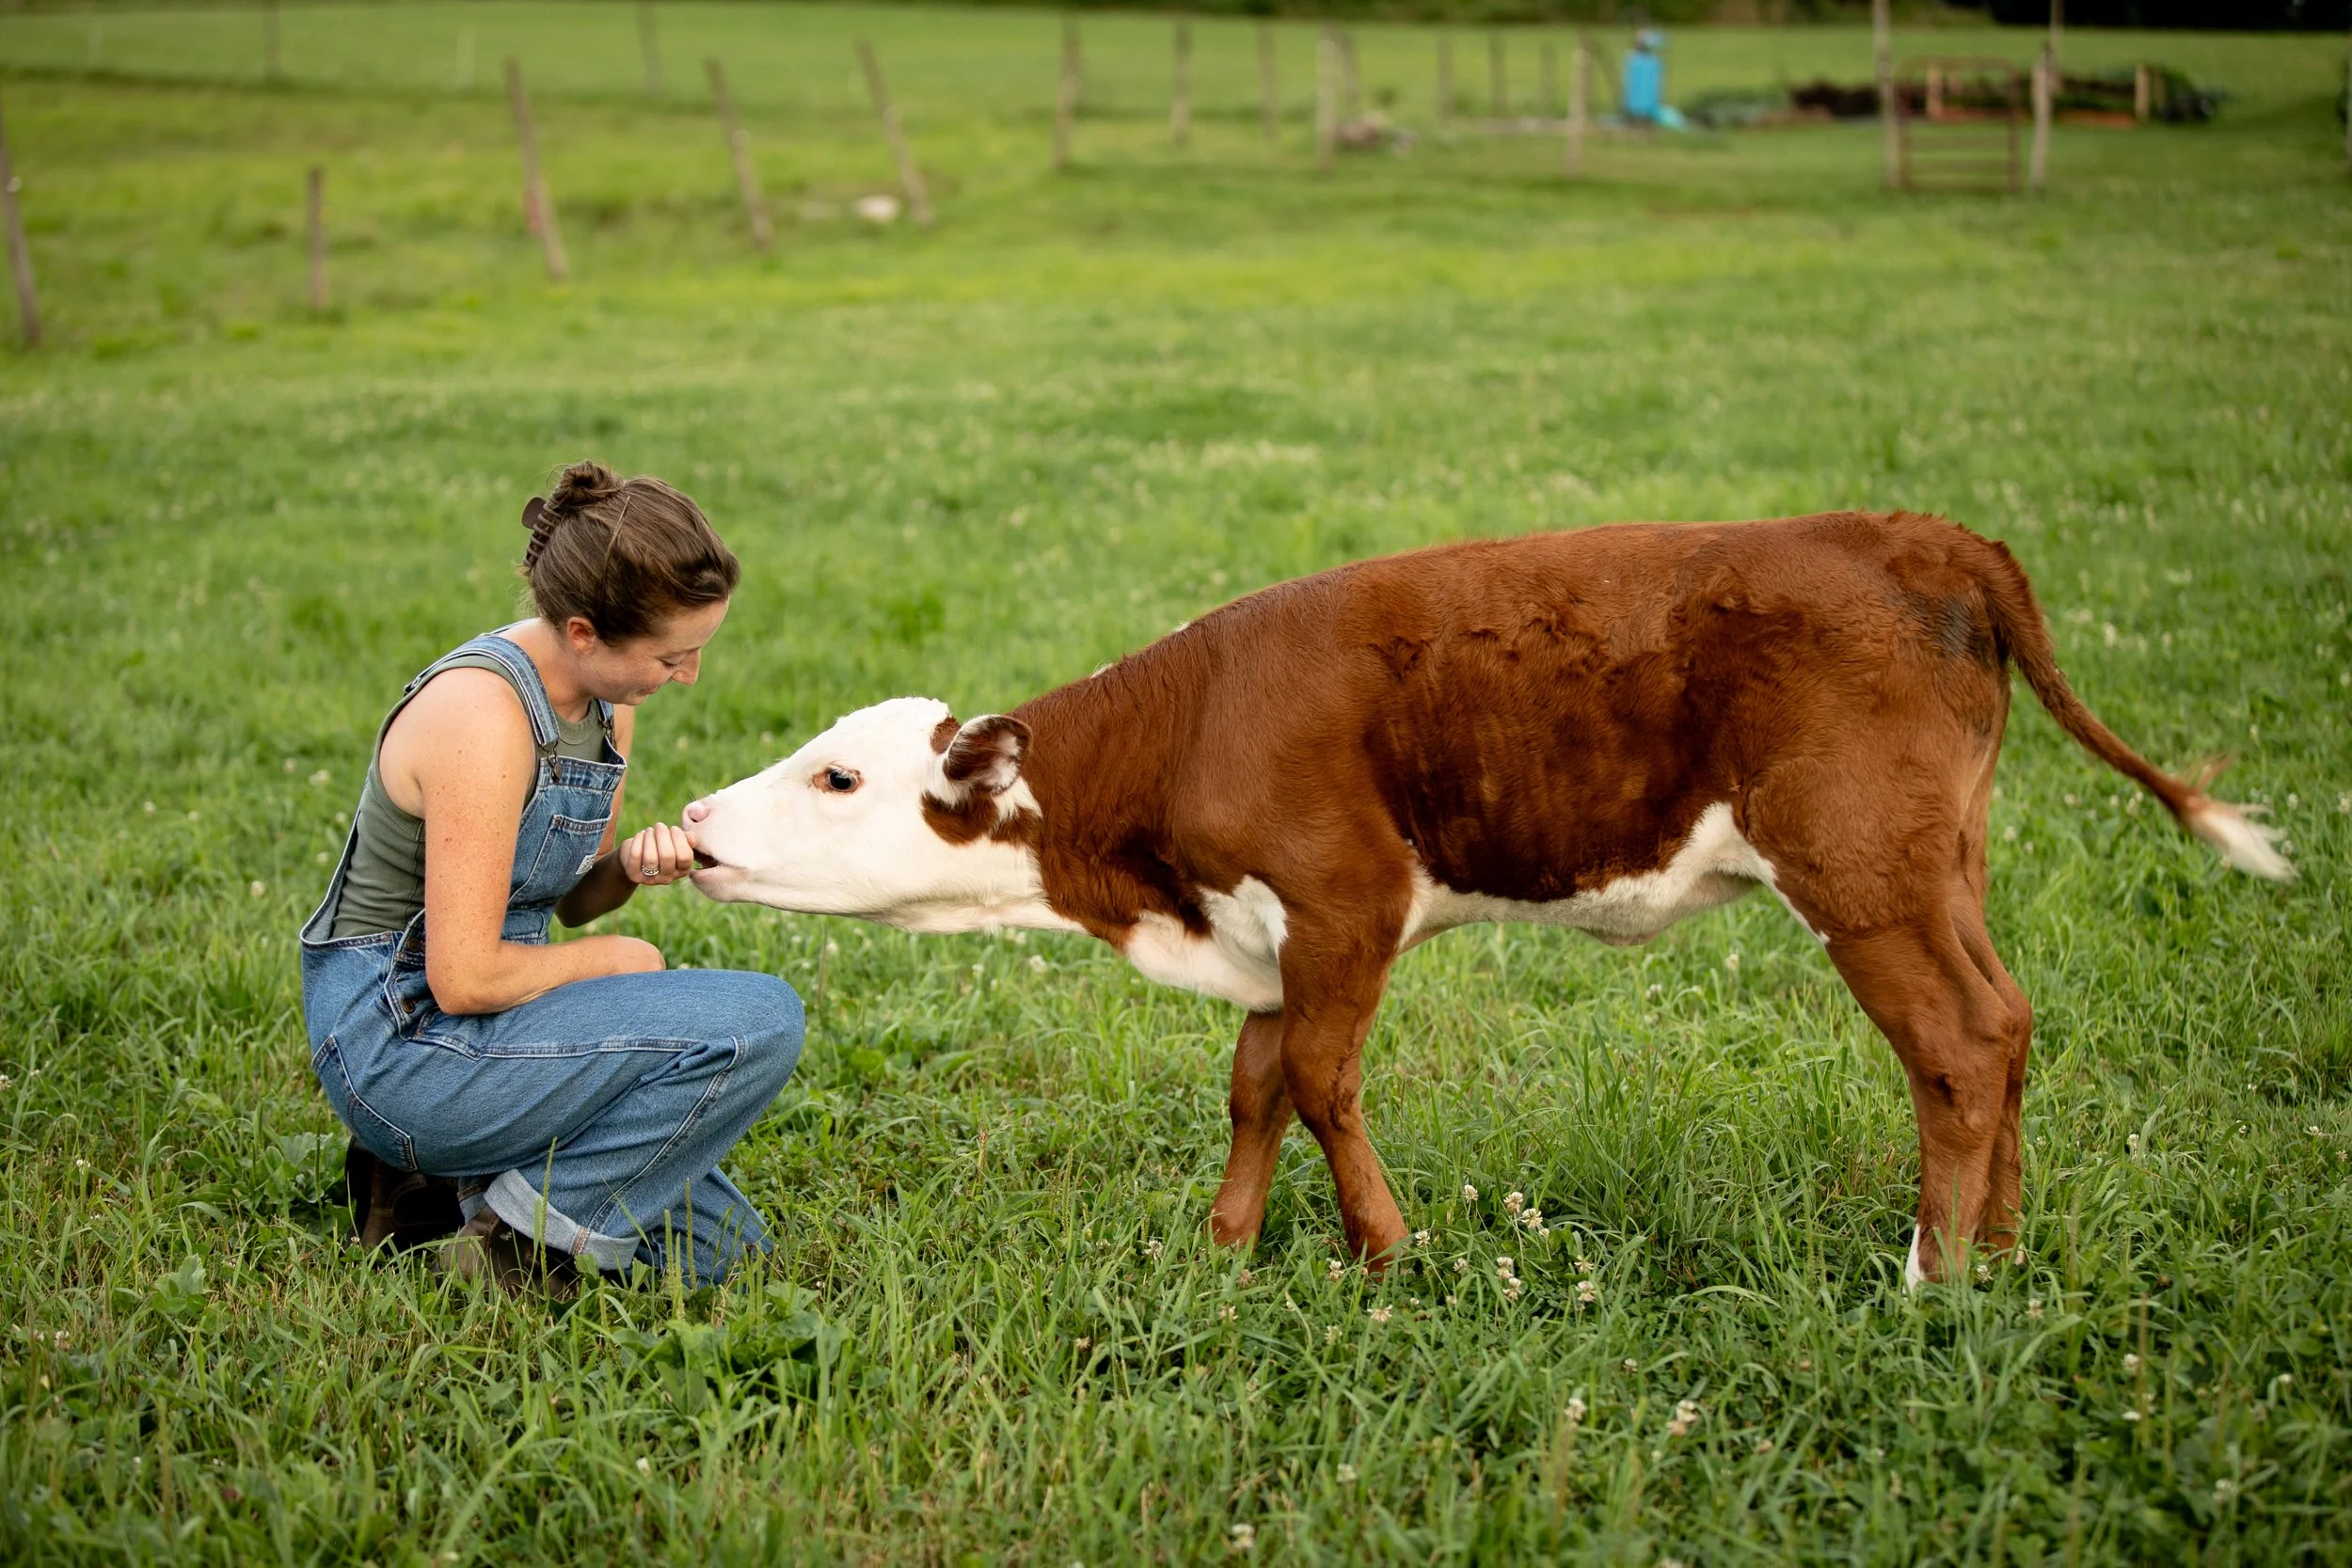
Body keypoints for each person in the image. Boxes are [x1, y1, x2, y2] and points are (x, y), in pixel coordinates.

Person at [298, 461, 803, 1294]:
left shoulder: (608, 701)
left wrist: (627, 873)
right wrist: (615, 958)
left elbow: (567, 901)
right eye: (673, 655)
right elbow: (460, 978)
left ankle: (438, 1189)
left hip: (511, 1022)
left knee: (723, 1251)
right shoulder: (482, 717)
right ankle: (504, 1241)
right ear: (581, 632)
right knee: (764, 1019)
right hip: (407, 1040)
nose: (689, 675)